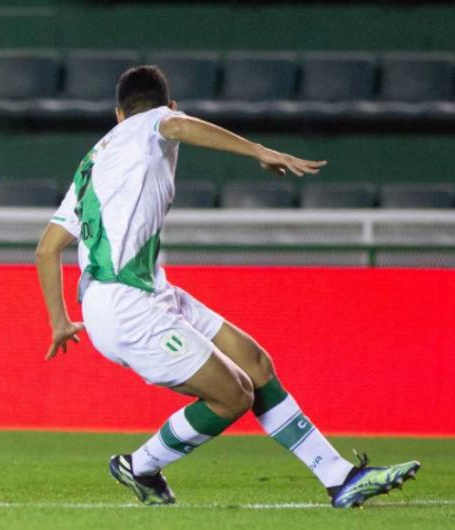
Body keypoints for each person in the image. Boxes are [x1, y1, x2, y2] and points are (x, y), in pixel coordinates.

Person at [35, 65, 420, 508]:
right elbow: (176, 125)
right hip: (125, 305)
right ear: (167, 105)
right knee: (233, 394)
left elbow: (47, 249)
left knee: (255, 365)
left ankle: (341, 478)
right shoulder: (153, 125)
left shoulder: (94, 160)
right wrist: (258, 150)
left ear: (118, 112)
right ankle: (139, 465)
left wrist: (59, 320)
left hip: (143, 293)